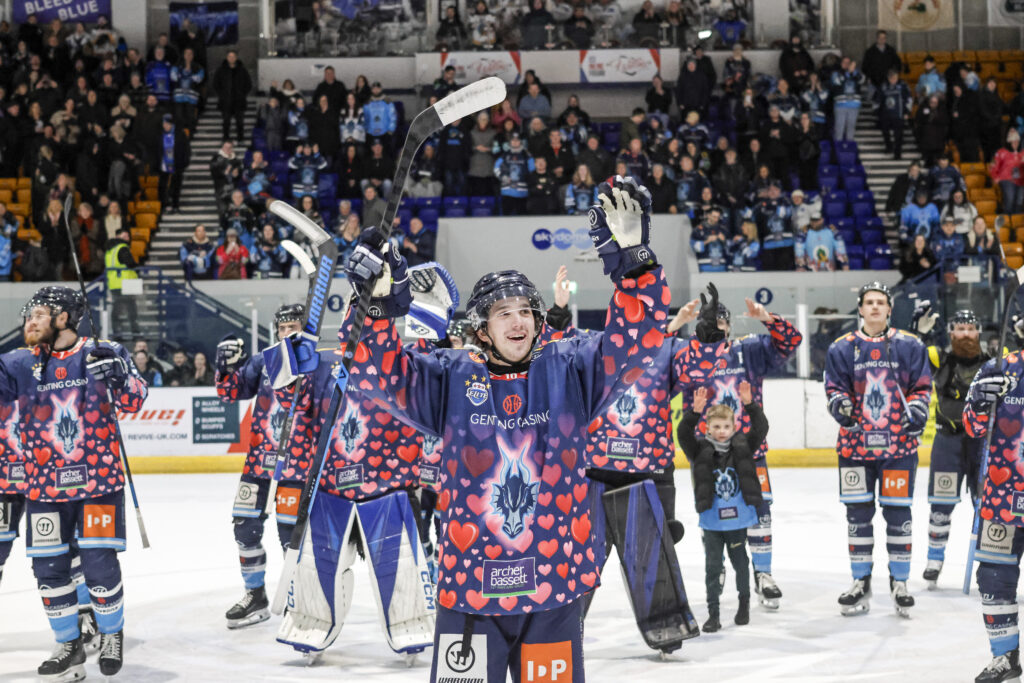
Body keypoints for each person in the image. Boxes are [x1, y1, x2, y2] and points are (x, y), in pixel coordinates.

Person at [291, 176, 668, 682]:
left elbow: (640, 340)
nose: (519, 322)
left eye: (526, 312)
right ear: (481, 327)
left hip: (553, 590)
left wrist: (635, 264)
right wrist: (376, 309)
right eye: (502, 313)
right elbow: (374, 374)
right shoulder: (449, 375)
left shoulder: (572, 367)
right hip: (470, 593)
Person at [0, 286, 148, 678]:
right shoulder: (20, 363)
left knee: (99, 566)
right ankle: (68, 644)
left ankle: (111, 633)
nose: (29, 321)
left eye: (39, 314)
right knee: (49, 570)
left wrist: (120, 377)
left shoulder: (104, 352)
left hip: (98, 483)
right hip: (43, 490)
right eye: (28, 315)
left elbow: (136, 400)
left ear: (64, 318)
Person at [671, 287, 803, 611]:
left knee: (760, 511)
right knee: (710, 511)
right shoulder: (686, 356)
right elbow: (650, 357)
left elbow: (792, 342)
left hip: (748, 449)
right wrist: (675, 325)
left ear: (729, 325)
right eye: (707, 323)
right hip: (706, 454)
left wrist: (768, 319)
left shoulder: (749, 351)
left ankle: (763, 574)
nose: (715, 329)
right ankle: (715, 573)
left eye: (719, 322)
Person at [824, 282, 931, 617]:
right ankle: (860, 582)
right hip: (854, 448)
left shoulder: (910, 345)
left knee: (898, 515)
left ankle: (900, 583)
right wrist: (839, 405)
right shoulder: (841, 347)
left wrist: (917, 410)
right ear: (860, 309)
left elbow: (921, 387)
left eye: (880, 302)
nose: (874, 307)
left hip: (898, 447)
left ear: (888, 309)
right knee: (857, 517)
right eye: (868, 302)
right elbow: (833, 387)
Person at [214, 304, 309, 629]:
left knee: (291, 537)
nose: (287, 334)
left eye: (293, 327)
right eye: (282, 328)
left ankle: (299, 599)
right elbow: (229, 392)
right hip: (258, 464)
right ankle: (255, 595)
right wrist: (225, 366)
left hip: (297, 468)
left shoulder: (316, 362)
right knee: (244, 528)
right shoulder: (263, 361)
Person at [905, 305, 989, 589]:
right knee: (941, 506)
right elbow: (907, 362)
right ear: (951, 333)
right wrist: (918, 334)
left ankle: (989, 562)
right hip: (947, 443)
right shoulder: (936, 357)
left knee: (987, 507)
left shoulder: (994, 362)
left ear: (978, 332)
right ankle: (934, 559)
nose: (966, 334)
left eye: (970, 329)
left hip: (983, 446)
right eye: (960, 329)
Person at [679, 381, 767, 632]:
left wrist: (750, 405)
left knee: (740, 563)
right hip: (712, 521)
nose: (721, 431)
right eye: (716, 426)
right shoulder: (699, 450)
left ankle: (743, 605)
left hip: (738, 520)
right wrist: (693, 413)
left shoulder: (743, 447)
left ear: (734, 427)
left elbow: (761, 428)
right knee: (713, 568)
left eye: (726, 426)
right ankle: (713, 614)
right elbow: (683, 434)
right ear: (708, 427)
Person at [963, 343, 1024, 681]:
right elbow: (972, 428)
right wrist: (980, 402)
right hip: (1002, 498)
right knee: (993, 579)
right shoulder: (999, 368)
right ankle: (1005, 657)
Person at [104, 226, 140, 340]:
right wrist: (138, 267)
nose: (127, 238)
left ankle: (117, 332)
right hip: (127, 282)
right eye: (124, 236)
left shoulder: (110, 250)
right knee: (131, 309)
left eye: (128, 236)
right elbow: (130, 263)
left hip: (114, 283)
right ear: (118, 237)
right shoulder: (123, 247)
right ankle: (135, 333)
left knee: (117, 309)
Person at [212, 50, 252, 142]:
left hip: (239, 100)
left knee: (240, 121)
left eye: (233, 56)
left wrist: (242, 94)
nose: (231, 58)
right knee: (226, 121)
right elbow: (216, 84)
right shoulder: (221, 70)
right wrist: (222, 95)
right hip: (226, 101)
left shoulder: (242, 70)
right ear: (227, 58)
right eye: (229, 56)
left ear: (236, 57)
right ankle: (226, 138)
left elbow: (248, 84)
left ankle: (240, 138)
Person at [875, 69, 912, 159]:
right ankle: (889, 147)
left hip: (898, 115)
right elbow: (877, 99)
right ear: (888, 78)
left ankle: (897, 153)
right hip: (886, 115)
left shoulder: (903, 86)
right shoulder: (883, 86)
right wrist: (877, 111)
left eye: (895, 77)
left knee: (898, 135)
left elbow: (909, 99)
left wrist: (907, 112)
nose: (893, 80)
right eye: (891, 78)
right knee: (885, 132)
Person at [157, 114, 190, 213]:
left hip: (177, 164)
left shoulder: (180, 134)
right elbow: (156, 150)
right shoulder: (159, 134)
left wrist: (184, 162)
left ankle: (175, 205)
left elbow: (186, 149)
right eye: (164, 123)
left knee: (176, 185)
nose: (165, 126)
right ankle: (164, 205)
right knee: (162, 186)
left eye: (167, 124)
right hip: (163, 164)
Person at [990, 129, 1024, 215]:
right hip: (1007, 179)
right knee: (1010, 199)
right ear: (1009, 143)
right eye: (1013, 142)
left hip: (1021, 180)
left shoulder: (1022, 152)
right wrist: (995, 177)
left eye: (1017, 142)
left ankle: (1016, 220)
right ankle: (1008, 218)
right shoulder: (1001, 152)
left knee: (1020, 201)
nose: (1015, 144)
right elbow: (994, 166)